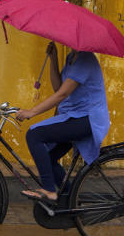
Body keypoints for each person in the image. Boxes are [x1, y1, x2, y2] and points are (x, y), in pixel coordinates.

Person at [15, 41, 111, 202]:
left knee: (34, 135)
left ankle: (48, 189)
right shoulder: (72, 57)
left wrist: (32, 112)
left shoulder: (85, 60)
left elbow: (62, 94)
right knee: (50, 158)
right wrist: (54, 60)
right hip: (74, 116)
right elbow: (59, 87)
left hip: (87, 119)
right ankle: (70, 200)